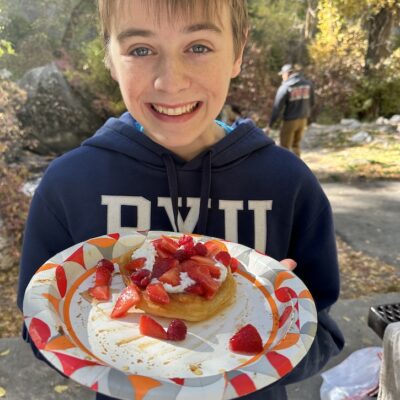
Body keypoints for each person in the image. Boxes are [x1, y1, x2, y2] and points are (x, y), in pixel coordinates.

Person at [17, 1, 343, 399]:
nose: (170, 82)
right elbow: (38, 325)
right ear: (110, 58)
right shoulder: (69, 184)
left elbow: (323, 331)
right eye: (140, 49)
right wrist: (94, 338)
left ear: (237, 53)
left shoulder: (288, 184)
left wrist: (274, 338)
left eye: (199, 46)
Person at [268, 64, 315, 157]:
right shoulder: (308, 84)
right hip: (303, 120)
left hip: (290, 121)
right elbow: (312, 102)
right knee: (296, 145)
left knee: (284, 148)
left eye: (282, 75)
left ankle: (284, 170)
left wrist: (270, 125)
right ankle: (298, 169)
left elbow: (277, 107)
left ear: (287, 73)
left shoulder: (285, 87)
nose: (282, 77)